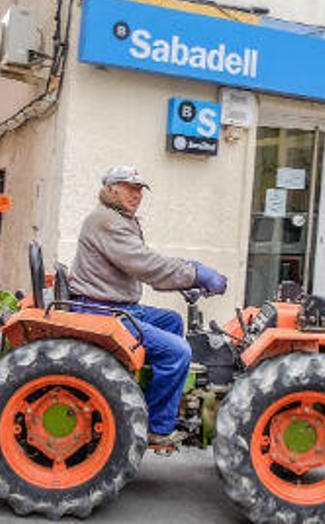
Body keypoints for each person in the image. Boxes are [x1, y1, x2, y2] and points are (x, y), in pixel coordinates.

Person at [67, 166, 227, 447]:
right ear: (111, 188)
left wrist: (185, 275)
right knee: (178, 352)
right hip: (101, 311)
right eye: (130, 188)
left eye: (140, 189)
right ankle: (155, 426)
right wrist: (195, 273)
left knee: (172, 321)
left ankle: (148, 394)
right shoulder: (107, 221)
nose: (136, 194)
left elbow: (145, 261)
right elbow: (145, 264)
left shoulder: (119, 219)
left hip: (116, 305)